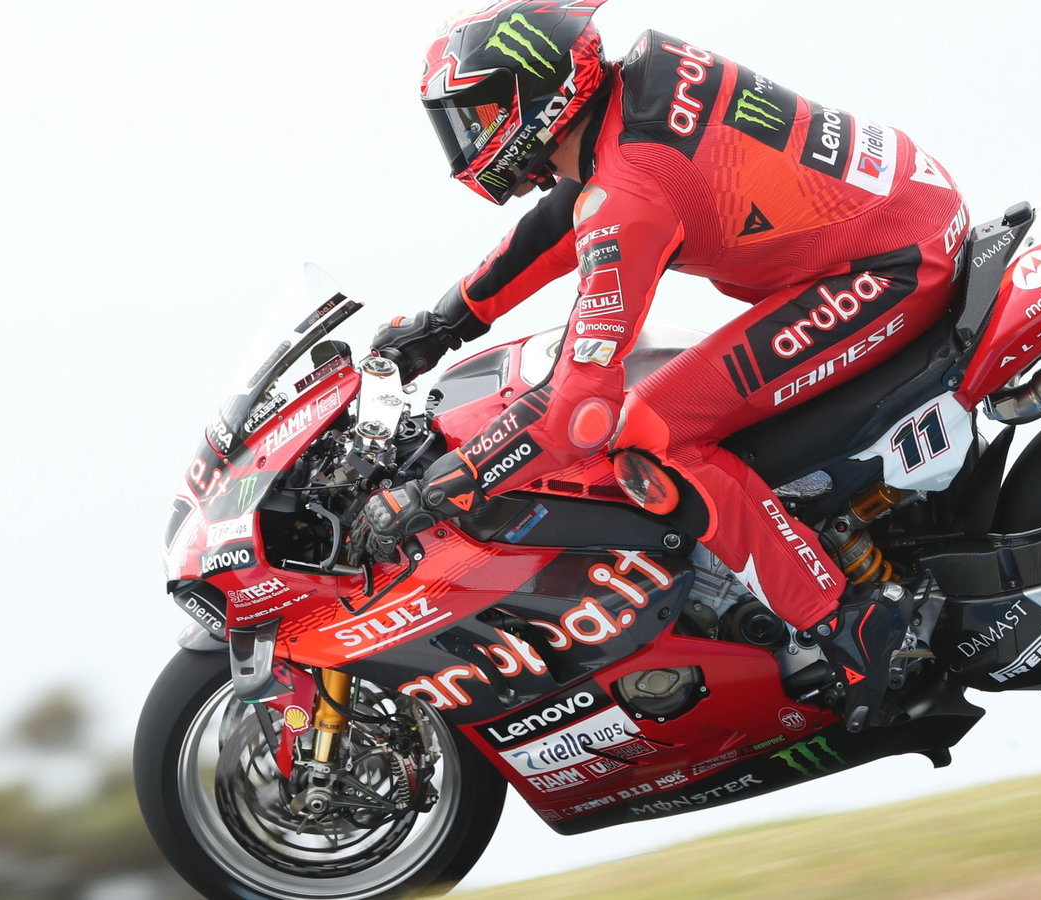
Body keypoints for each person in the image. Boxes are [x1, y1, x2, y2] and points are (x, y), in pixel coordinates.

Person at [348, 0, 968, 731]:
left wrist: (444, 485)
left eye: (480, 116)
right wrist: (451, 319)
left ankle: (846, 622)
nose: (468, 142)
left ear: (540, 97)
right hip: (901, 209)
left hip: (891, 263)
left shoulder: (633, 191)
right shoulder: (631, 89)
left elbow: (578, 413)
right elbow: (568, 212)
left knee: (652, 432)